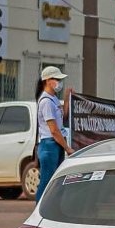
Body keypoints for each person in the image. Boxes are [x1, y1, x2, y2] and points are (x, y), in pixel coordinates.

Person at [35, 66, 73, 201]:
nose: (59, 82)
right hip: (49, 145)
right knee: (47, 182)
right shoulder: (46, 101)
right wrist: (67, 148)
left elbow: (62, 118)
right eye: (56, 79)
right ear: (47, 80)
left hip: (56, 144)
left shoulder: (53, 99)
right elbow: (54, 130)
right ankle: (39, 209)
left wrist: (67, 99)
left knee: (56, 182)